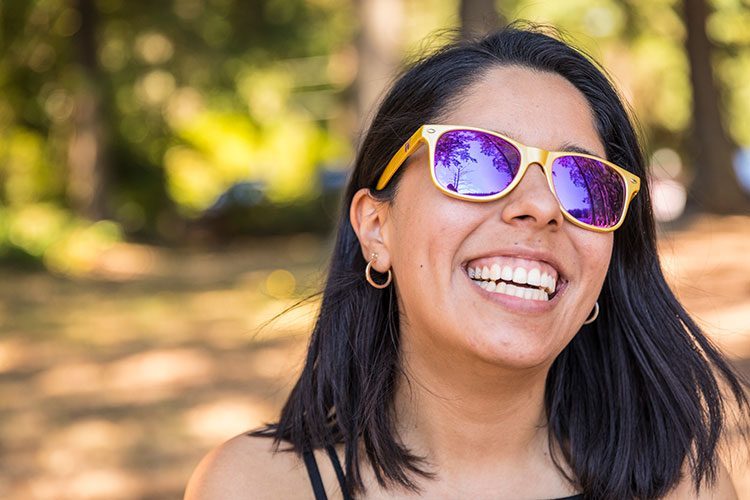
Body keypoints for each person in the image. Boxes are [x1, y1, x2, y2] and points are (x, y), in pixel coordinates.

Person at [185, 24, 748, 499]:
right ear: (376, 228)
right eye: (475, 161)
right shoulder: (253, 487)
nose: (540, 207)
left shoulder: (685, 489)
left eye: (582, 182)